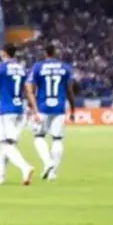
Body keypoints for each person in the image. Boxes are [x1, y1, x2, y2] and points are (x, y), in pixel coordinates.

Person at [0, 44, 37, 186]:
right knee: (7, 144)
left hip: (6, 110)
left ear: (4, 53)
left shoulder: (1, 68)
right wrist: (33, 108)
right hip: (19, 110)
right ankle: (0, 176)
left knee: (5, 145)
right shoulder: (21, 69)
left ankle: (25, 167)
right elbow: (28, 91)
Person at [26, 44, 75, 181]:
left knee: (38, 137)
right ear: (55, 53)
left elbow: (31, 88)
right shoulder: (65, 68)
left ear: (45, 53)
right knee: (57, 139)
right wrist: (72, 109)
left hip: (42, 107)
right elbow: (70, 91)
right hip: (59, 108)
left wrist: (31, 106)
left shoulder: (38, 67)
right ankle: (53, 173)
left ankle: (48, 163)